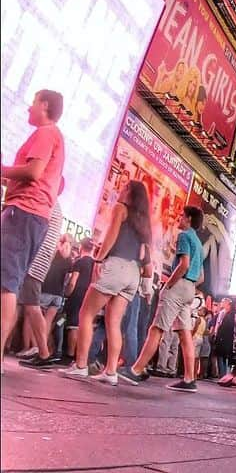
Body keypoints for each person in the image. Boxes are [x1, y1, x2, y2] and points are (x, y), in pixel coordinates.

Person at [62, 182, 153, 385]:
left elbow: (111, 236)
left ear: (129, 193)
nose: (121, 190)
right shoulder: (143, 221)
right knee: (114, 322)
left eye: (125, 187)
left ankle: (81, 365)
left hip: (115, 265)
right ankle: (111, 371)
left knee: (86, 314)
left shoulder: (121, 209)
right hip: (132, 272)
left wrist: (99, 258)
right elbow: (146, 255)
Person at [1, 89, 66, 373]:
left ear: (44, 105)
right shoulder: (53, 136)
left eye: (33, 101)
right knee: (8, 284)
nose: (28, 106)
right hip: (29, 215)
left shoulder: (46, 133)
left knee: (6, 285)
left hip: (23, 211)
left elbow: (33, 172)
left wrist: (2, 169)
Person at [119, 206, 205, 392]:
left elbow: (184, 264)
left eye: (182, 216)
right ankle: (189, 379)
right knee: (184, 333)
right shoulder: (198, 243)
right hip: (190, 288)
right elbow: (201, 277)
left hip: (179, 285)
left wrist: (169, 285)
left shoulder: (184, 236)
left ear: (189, 218)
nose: (179, 219)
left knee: (157, 328)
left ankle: (136, 370)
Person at [16, 209, 68, 370]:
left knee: (30, 309)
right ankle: (42, 351)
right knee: (41, 316)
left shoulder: (48, 205)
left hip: (35, 268)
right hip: (55, 290)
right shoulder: (67, 256)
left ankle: (36, 350)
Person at [210, 298, 236, 379]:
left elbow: (227, 327)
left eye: (223, 302)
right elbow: (217, 324)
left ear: (228, 304)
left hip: (226, 339)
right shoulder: (221, 313)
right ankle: (222, 375)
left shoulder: (231, 315)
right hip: (220, 338)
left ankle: (224, 375)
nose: (221, 303)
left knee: (224, 357)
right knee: (220, 357)